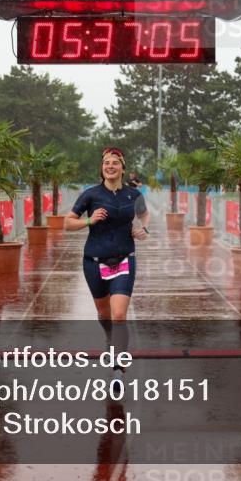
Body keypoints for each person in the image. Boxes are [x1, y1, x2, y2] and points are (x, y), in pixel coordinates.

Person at [65, 147, 148, 392]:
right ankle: (112, 340)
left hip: (124, 259)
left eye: (114, 163)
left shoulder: (134, 195)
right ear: (102, 169)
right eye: (106, 163)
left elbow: (145, 216)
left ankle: (116, 369)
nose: (110, 166)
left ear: (123, 168)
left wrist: (143, 230)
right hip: (94, 262)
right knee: (104, 315)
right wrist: (89, 220)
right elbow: (68, 223)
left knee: (119, 314)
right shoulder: (91, 194)